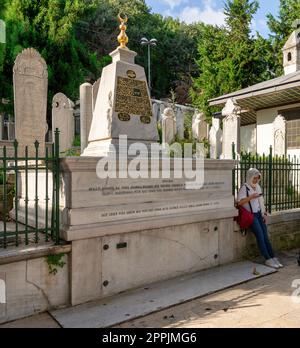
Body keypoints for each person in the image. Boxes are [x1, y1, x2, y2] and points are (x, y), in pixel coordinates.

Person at [237, 168, 283, 269]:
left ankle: (273, 257)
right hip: (251, 216)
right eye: (254, 178)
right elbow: (239, 202)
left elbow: (261, 201)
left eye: (258, 178)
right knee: (260, 237)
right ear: (250, 177)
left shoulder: (257, 187)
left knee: (266, 237)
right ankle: (267, 259)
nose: (256, 180)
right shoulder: (245, 188)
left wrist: (264, 213)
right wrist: (251, 197)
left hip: (259, 214)